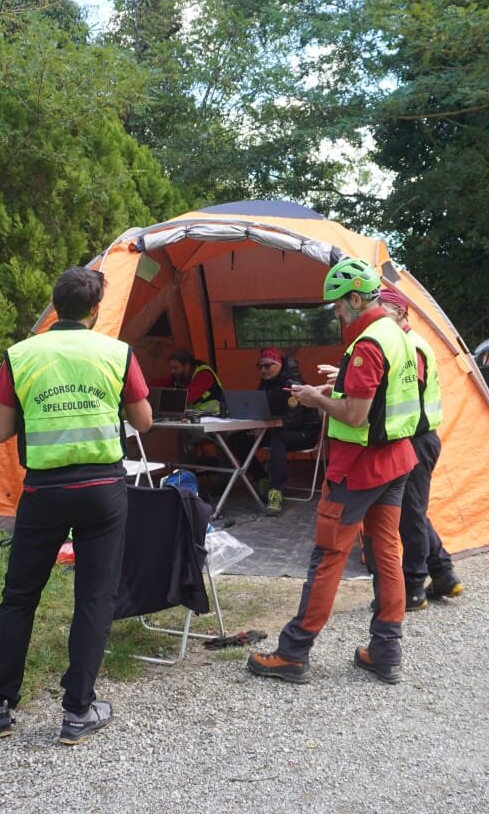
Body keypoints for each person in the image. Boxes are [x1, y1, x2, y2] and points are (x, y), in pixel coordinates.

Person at [0, 267, 153, 746]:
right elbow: (144, 421)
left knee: (20, 596)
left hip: (44, 492)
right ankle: (78, 712)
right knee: (94, 597)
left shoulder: (22, 355)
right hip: (103, 490)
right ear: (95, 309)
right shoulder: (116, 352)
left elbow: (2, 432)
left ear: (54, 304)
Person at [246, 257, 420, 685]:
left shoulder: (367, 345)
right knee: (386, 555)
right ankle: (386, 650)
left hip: (359, 467)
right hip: (395, 460)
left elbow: (356, 415)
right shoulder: (395, 334)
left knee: (327, 556)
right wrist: (336, 388)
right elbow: (377, 396)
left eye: (339, 306)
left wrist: (314, 398)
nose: (337, 314)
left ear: (357, 299)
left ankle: (293, 652)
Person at [377, 287, 463, 609]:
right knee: (414, 510)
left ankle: (412, 588)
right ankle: (442, 573)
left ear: (401, 313)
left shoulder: (408, 347)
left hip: (416, 439)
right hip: (414, 438)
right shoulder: (403, 343)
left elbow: (406, 393)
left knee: (410, 514)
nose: (377, 316)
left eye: (383, 309)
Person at [230, 347, 322, 516]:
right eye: (261, 366)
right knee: (236, 439)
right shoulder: (265, 383)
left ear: (279, 364)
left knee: (277, 437)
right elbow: (261, 411)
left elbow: (292, 421)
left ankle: (276, 492)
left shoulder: (293, 384)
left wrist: (263, 429)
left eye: (268, 366)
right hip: (274, 430)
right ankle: (261, 479)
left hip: (304, 433)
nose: (263, 370)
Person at [154, 347, 225, 413]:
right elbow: (161, 383)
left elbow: (186, 397)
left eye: (175, 367)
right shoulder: (180, 376)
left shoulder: (204, 374)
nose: (172, 371)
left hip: (215, 417)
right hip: (197, 416)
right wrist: (144, 391)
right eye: (170, 368)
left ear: (187, 366)